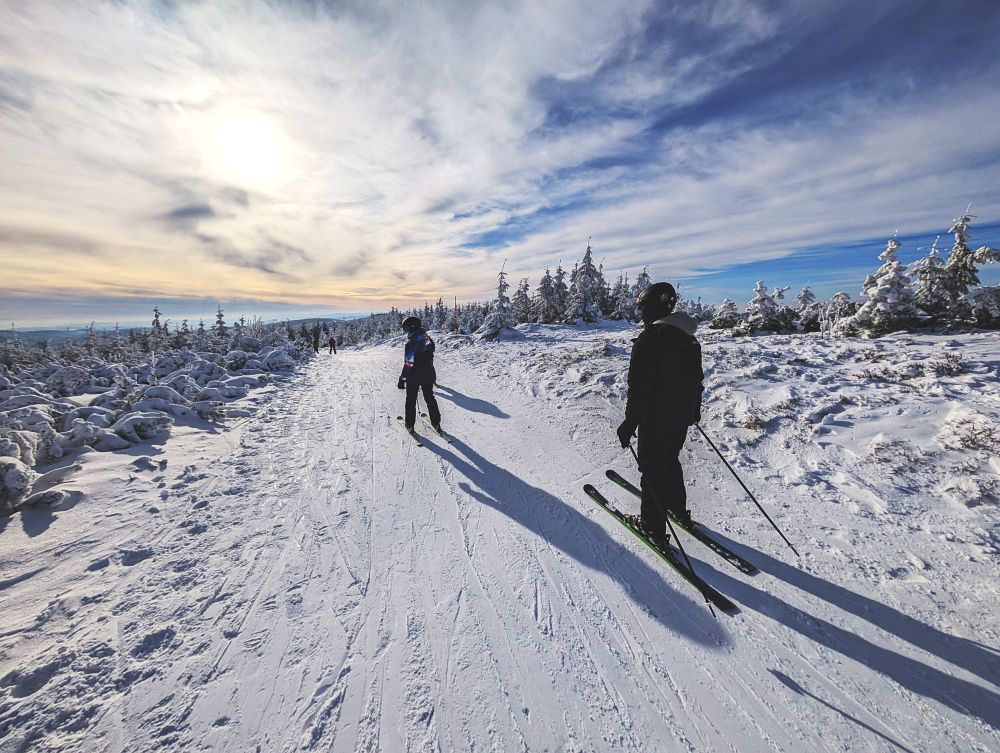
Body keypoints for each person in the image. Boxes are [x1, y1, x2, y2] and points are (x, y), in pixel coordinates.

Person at [616, 282, 703, 547]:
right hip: (681, 418)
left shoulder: (648, 341)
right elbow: (695, 380)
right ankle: (677, 509)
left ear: (652, 308)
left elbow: (640, 388)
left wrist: (630, 423)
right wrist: (693, 412)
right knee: (671, 461)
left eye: (642, 308)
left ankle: (653, 528)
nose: (641, 314)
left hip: (656, 420)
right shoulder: (688, 339)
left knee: (652, 472)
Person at [398, 316, 442, 431]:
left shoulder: (411, 343)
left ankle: (410, 425)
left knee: (411, 400)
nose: (406, 330)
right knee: (430, 398)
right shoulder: (425, 337)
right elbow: (431, 351)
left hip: (414, 376)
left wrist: (402, 379)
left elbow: (408, 363)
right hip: (427, 374)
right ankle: (436, 422)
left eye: (406, 328)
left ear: (411, 328)